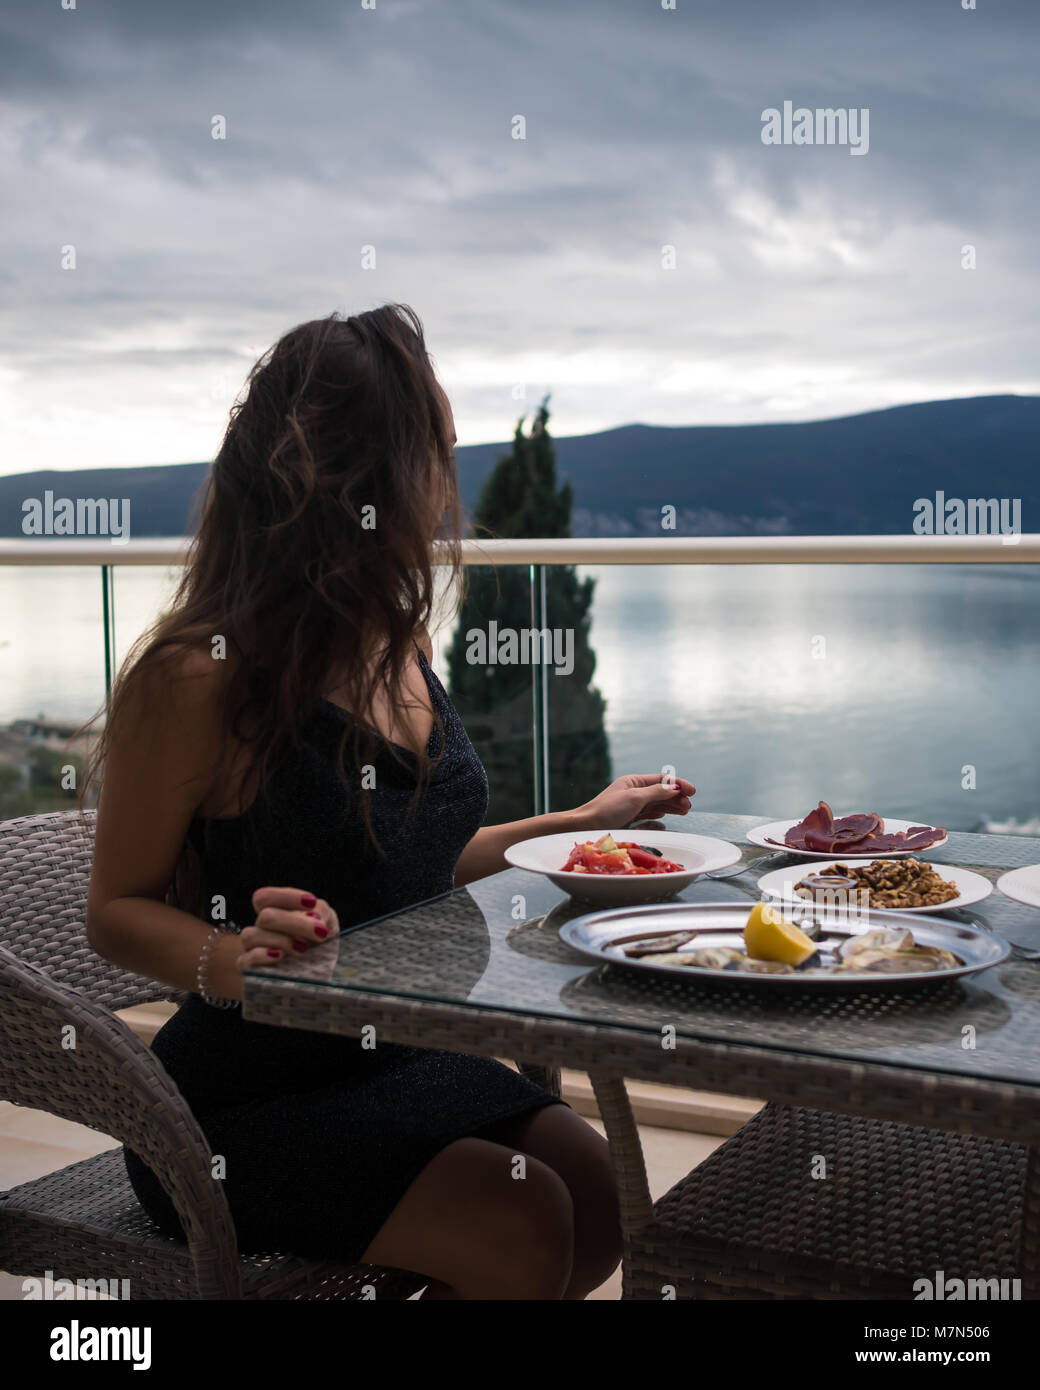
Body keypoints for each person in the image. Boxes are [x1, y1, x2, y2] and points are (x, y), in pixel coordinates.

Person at [85, 304, 696, 1300]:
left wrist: (578, 823)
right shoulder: (199, 678)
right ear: (354, 472)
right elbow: (114, 908)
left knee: (596, 1189)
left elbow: (413, 861)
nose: (452, 482)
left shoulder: (393, 646)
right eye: (437, 450)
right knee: (525, 1221)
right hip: (243, 1099)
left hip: (397, 1055)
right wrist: (231, 957)